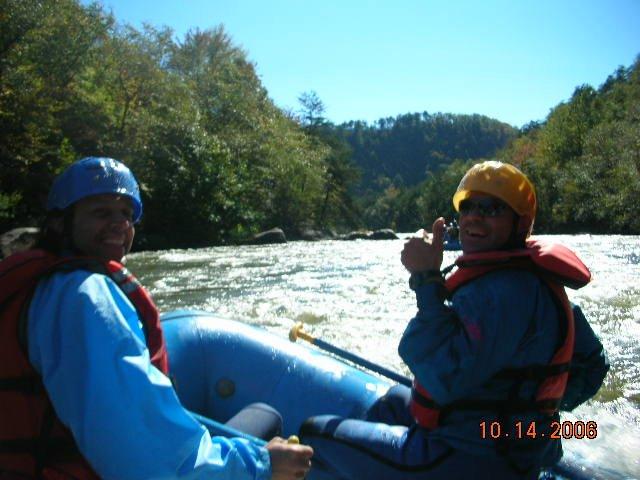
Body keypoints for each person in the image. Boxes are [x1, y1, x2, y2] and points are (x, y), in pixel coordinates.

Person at [0, 157, 313, 479]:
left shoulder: (34, 285)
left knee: (261, 415)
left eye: (126, 214)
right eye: (101, 212)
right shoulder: (84, 297)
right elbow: (142, 458)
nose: (120, 224)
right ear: (59, 222)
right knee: (266, 419)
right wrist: (259, 465)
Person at [300, 161, 609, 479]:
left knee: (314, 433)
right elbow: (592, 363)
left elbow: (441, 374)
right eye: (469, 207)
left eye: (492, 208)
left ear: (520, 224)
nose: (474, 216)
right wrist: (525, 412)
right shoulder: (531, 277)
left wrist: (426, 279)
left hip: (471, 457)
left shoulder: (501, 292)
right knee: (394, 401)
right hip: (502, 443)